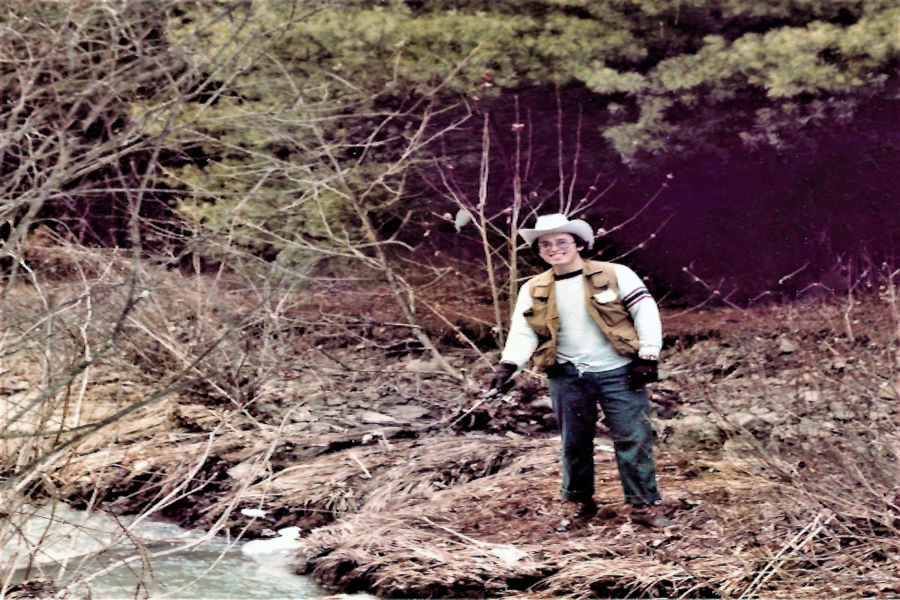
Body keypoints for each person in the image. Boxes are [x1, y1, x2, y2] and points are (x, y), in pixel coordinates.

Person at [489, 213, 673, 529]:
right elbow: (523, 332)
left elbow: (645, 311)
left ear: (578, 244)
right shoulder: (533, 289)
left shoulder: (618, 274)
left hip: (620, 372)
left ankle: (644, 507)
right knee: (574, 442)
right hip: (566, 375)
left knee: (634, 438)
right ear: (540, 251)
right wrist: (508, 366)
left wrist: (648, 355)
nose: (554, 248)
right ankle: (580, 505)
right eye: (546, 244)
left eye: (562, 241)